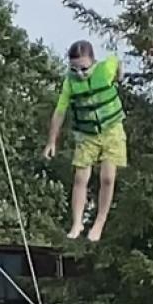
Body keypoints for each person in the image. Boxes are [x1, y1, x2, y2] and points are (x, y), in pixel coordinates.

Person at [43, 40, 127, 243]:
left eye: (84, 69)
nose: (79, 73)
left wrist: (119, 75)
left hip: (111, 130)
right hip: (86, 134)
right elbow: (60, 112)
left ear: (93, 62)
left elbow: (117, 60)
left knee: (107, 178)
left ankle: (99, 221)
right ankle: (77, 222)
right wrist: (51, 141)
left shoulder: (104, 69)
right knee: (81, 178)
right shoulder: (70, 82)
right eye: (75, 69)